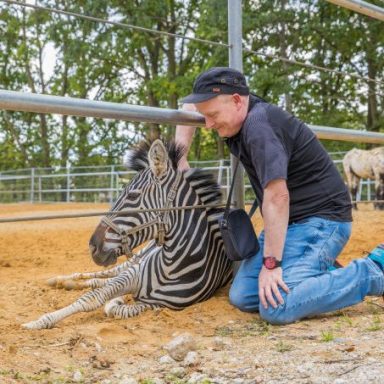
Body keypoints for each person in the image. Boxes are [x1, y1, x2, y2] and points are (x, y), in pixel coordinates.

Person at [175, 66, 384, 325]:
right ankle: (317, 272)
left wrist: (272, 266)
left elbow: (277, 198)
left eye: (213, 115)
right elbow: (190, 107)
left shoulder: (259, 126)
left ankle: (374, 271)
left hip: (322, 222)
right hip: (289, 226)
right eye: (205, 116)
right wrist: (180, 159)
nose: (207, 124)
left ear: (237, 101)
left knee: (277, 307)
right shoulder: (239, 112)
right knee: (242, 297)